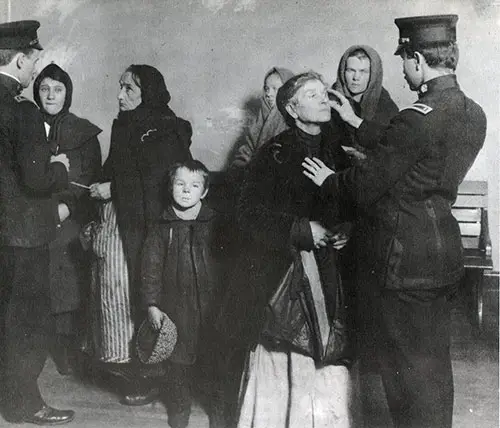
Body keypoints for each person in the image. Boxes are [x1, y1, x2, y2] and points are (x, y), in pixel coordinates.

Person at [302, 14, 487, 428]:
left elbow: (366, 186)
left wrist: (330, 179)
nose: (402, 68)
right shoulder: (472, 113)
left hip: (401, 260)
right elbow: (413, 152)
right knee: (434, 364)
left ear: (419, 60)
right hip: (441, 253)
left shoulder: (414, 118)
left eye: (404, 58)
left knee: (403, 371)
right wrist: (355, 123)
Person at [219, 71, 353, 428]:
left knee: (328, 359)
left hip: (330, 275)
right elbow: (247, 214)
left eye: (323, 93)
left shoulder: (338, 149)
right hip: (284, 277)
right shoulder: (273, 154)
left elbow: (353, 203)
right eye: (312, 95)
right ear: (292, 109)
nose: (324, 98)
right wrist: (298, 229)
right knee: (286, 362)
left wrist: (346, 230)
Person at [89, 64, 192, 406]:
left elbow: (159, 182)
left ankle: (154, 374)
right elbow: (116, 168)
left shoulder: (167, 129)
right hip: (125, 224)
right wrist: (102, 187)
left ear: (147, 93)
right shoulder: (125, 126)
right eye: (119, 88)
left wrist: (113, 188)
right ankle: (135, 371)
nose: (119, 96)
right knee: (124, 295)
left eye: (129, 89)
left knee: (150, 293)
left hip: (152, 228)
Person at [0, 20, 75, 425]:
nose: (35, 71)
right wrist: (59, 168)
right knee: (26, 326)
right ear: (19, 59)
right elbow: (36, 179)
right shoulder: (23, 111)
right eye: (34, 62)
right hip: (22, 236)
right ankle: (23, 404)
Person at [141, 159, 229, 428]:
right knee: (178, 363)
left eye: (194, 185)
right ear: (171, 188)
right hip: (176, 308)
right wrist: (152, 304)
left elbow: (229, 263)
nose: (186, 190)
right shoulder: (161, 226)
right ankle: (179, 407)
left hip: (212, 306)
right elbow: (151, 267)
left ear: (204, 192)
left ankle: (220, 410)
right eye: (180, 184)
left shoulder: (216, 223)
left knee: (216, 358)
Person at [33, 63, 102, 376]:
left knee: (64, 269)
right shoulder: (24, 124)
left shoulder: (84, 132)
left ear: (67, 94)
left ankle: (63, 346)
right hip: (32, 214)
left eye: (58, 90)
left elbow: (87, 179)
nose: (50, 96)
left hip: (69, 215)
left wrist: (63, 210)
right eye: (45, 88)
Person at [231, 66, 294, 168]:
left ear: (289, 91)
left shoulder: (295, 120)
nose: (268, 94)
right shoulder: (260, 118)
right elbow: (245, 152)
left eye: (275, 89)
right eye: (266, 89)